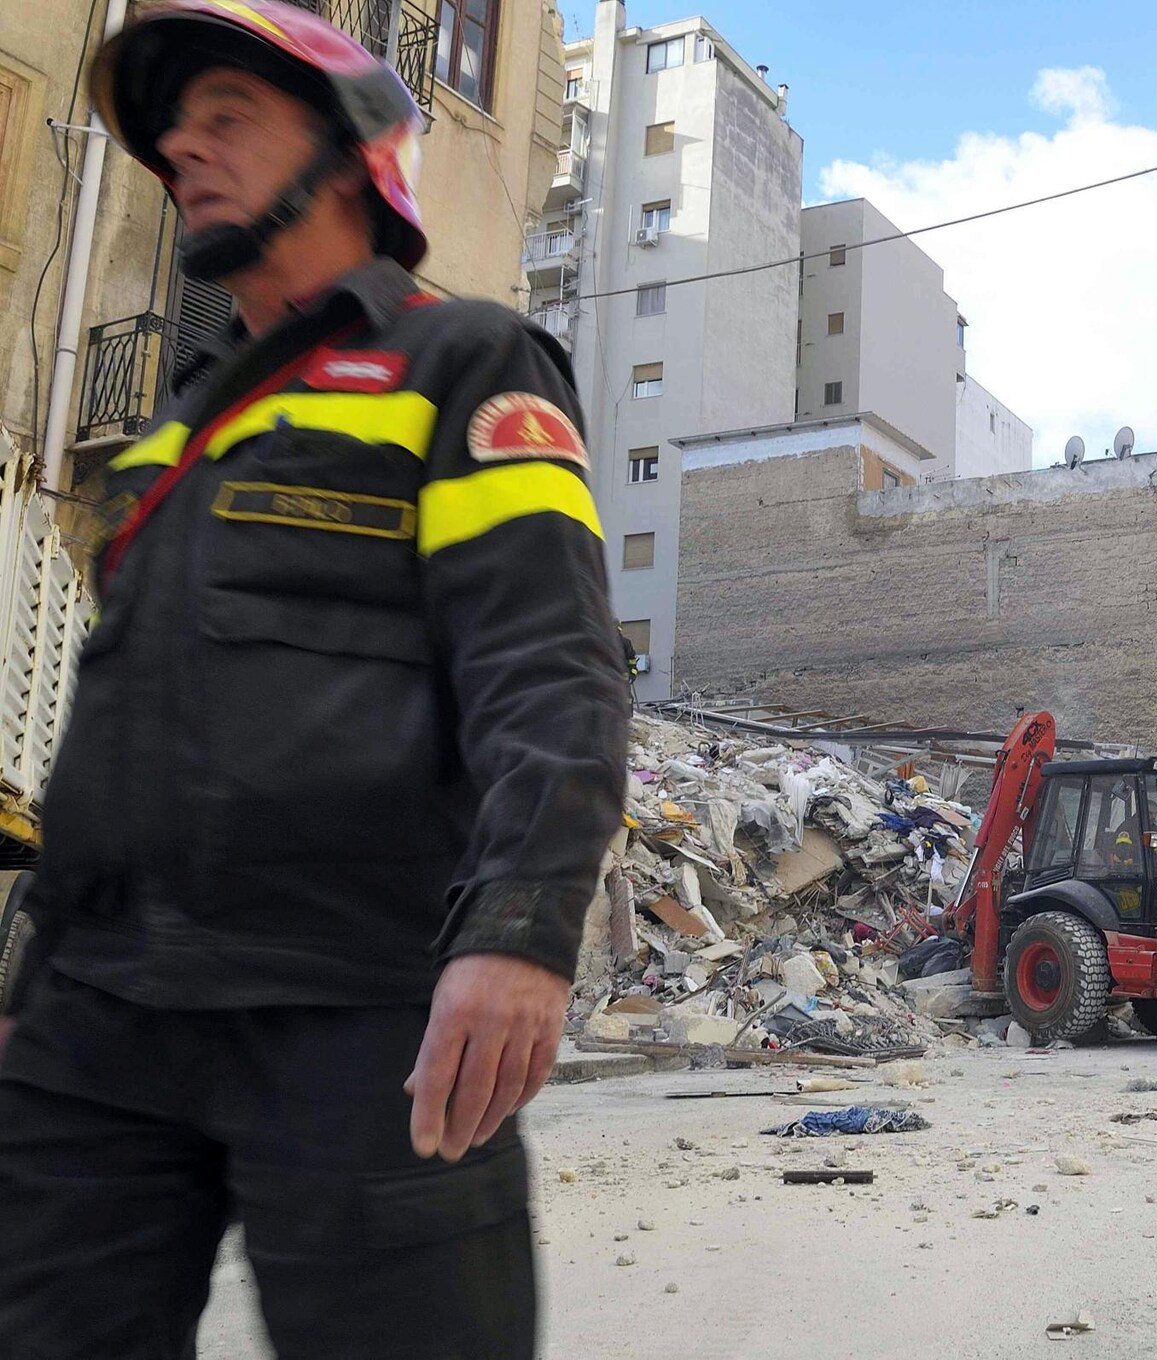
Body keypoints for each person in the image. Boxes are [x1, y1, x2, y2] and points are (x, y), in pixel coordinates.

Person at [0, 5, 630, 1355]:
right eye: (176, 130)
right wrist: (29, 993)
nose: (182, 147)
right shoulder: (179, 437)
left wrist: (519, 936)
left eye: (228, 113)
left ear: (347, 156)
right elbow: (110, 738)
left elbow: (548, 667)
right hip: (101, 1019)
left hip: (357, 1012)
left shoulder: (457, 365)